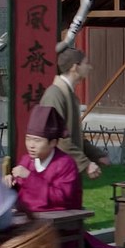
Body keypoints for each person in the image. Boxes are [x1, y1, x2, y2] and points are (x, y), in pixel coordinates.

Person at [3, 105, 118, 248]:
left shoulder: (65, 165)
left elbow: (62, 198)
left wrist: (31, 178)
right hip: (30, 230)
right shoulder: (26, 161)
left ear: (54, 142)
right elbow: (21, 196)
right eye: (28, 139)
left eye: (37, 140)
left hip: (62, 234)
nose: (31, 145)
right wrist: (11, 183)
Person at [40, 47, 110, 179]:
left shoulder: (68, 94)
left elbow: (73, 136)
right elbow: (59, 139)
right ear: (74, 67)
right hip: (56, 173)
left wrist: (96, 154)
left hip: (66, 171)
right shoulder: (55, 95)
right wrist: (86, 164)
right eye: (86, 63)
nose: (89, 67)